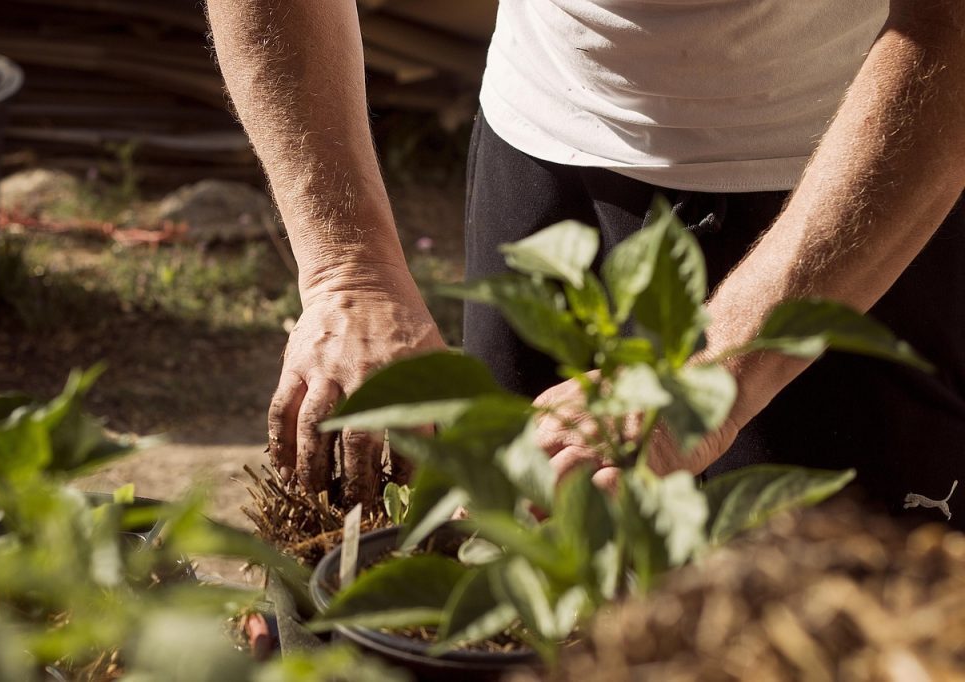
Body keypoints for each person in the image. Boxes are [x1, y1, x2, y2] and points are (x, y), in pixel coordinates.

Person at [205, 1, 965, 523]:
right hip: (542, 150)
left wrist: (713, 369)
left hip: (851, 186)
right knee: (519, 586)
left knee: (810, 630)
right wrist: (348, 269)